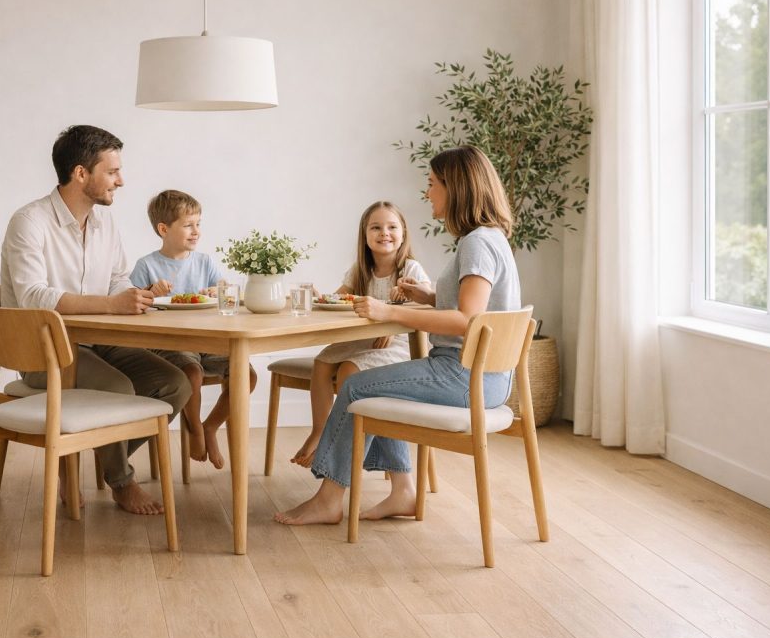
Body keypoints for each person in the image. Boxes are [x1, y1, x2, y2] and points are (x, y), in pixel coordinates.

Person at [274, 145, 521, 526]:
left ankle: (328, 500)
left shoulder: (475, 243)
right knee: (381, 384)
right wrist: (433, 297)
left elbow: (469, 319)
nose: (428, 193)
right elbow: (480, 307)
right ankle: (404, 491)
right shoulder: (491, 238)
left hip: (463, 374)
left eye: (433, 184)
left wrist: (390, 311)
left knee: (357, 386)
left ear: (456, 189)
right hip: (487, 377)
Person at [0, 125, 191, 516]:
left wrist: (139, 296)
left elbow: (118, 280)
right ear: (81, 173)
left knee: (175, 383)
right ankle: (121, 482)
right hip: (45, 352)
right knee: (118, 388)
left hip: (97, 342)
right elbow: (33, 297)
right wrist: (112, 304)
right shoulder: (30, 222)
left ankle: (84, 456)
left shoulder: (105, 223)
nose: (121, 181)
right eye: (112, 171)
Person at [289, 201, 431, 467]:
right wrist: (323, 297)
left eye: (391, 227)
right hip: (364, 340)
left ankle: (343, 442)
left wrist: (397, 310)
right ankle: (319, 431)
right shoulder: (360, 270)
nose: (384, 233)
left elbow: (426, 302)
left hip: (398, 343)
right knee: (322, 363)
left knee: (348, 371)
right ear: (365, 236)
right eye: (375, 227)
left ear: (403, 234)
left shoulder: (410, 269)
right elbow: (340, 298)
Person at [130, 189, 257, 470]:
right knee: (192, 372)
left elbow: (227, 294)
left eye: (198, 224)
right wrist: (150, 291)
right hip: (169, 344)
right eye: (188, 225)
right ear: (164, 229)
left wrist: (218, 290)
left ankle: (209, 426)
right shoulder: (147, 265)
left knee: (246, 375)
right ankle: (195, 431)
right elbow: (133, 308)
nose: (196, 231)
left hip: (209, 341)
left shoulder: (205, 262)